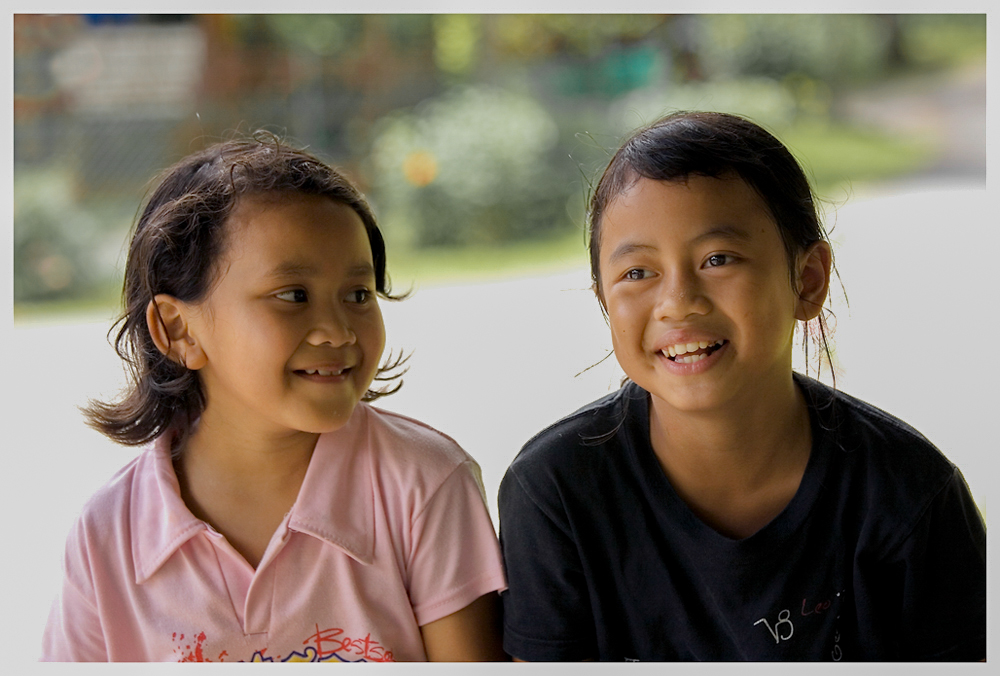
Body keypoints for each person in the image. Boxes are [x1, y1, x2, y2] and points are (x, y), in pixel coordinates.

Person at [498, 111, 986, 661]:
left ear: (807, 280)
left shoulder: (908, 495)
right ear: (603, 301)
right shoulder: (556, 491)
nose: (678, 300)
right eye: (638, 272)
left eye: (718, 259)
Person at [41, 134, 507, 662]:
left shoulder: (424, 483)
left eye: (358, 295)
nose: (336, 330)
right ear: (178, 330)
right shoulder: (108, 534)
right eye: (293, 296)